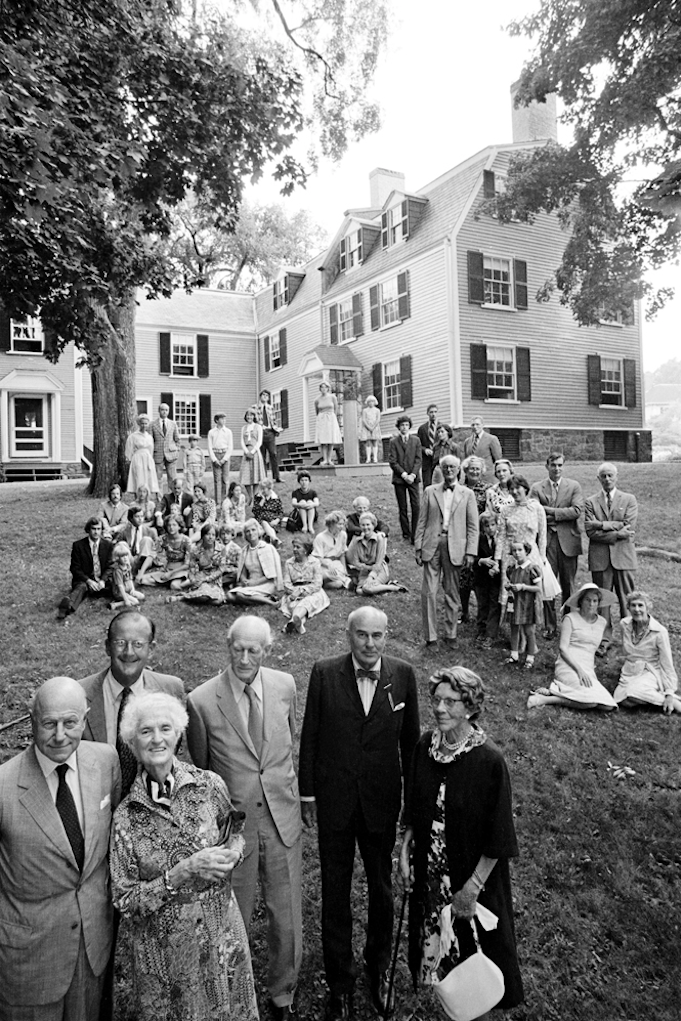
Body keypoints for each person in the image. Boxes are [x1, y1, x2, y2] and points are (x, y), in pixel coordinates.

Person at [299, 607, 420, 1021]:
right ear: (348, 635)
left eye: (377, 636)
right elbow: (310, 735)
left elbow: (410, 744)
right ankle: (340, 984)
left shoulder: (403, 675)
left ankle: (379, 967)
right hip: (335, 800)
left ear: (387, 636)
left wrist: (412, 808)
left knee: (381, 887)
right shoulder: (324, 672)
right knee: (335, 891)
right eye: (362, 635)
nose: (370, 644)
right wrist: (308, 795)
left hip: (381, 802)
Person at [111, 692, 258, 1021]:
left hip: (222, 938)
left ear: (178, 734)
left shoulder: (209, 785)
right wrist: (181, 872)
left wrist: (232, 854)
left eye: (165, 728)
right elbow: (124, 900)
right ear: (132, 743)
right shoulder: (126, 816)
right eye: (146, 731)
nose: (157, 739)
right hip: (165, 958)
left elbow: (234, 832)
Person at [187, 616, 303, 1020]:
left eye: (254, 650)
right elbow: (202, 766)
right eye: (238, 649)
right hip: (234, 829)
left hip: (281, 817)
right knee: (231, 914)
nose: (245, 658)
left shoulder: (285, 686)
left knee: (286, 914)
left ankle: (283, 993)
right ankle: (231, 993)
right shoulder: (202, 701)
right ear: (228, 646)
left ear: (267, 650)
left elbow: (288, 743)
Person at [399, 667, 524, 1016]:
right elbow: (415, 809)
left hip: (470, 884)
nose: (440, 708)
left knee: (474, 972)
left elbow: (499, 837)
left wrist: (471, 889)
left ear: (470, 707)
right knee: (442, 968)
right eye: (436, 700)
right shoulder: (425, 746)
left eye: (451, 702)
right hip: (431, 880)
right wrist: (405, 851)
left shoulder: (489, 761)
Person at [0, 676, 121, 1020]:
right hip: (28, 959)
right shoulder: (3, 786)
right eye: (49, 723)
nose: (60, 735)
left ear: (85, 718)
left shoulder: (106, 761)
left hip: (92, 949)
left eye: (70, 723)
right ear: (31, 720)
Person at [77, 609, 185, 796]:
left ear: (151, 649)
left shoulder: (171, 689)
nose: (128, 652)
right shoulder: (80, 695)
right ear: (107, 647)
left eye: (138, 644)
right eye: (120, 643)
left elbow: (175, 751)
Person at [414, 455, 479, 649]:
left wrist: (470, 551)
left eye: (452, 467)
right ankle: (431, 637)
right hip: (432, 544)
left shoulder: (467, 494)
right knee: (429, 592)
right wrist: (418, 546)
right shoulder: (430, 491)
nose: (449, 470)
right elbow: (422, 521)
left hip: (456, 547)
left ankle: (451, 634)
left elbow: (473, 526)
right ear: (441, 470)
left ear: (458, 469)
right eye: (445, 467)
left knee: (452, 591)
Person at [527, 583, 618, 710]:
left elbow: (591, 648)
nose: (591, 604)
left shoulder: (602, 622)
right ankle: (543, 699)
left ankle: (556, 692)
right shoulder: (570, 619)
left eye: (595, 601)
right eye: (587, 600)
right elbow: (563, 649)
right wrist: (579, 670)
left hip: (587, 667)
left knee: (607, 706)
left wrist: (587, 669)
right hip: (569, 664)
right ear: (581, 601)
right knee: (590, 702)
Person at [529, 452, 584, 639]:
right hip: (547, 541)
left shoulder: (573, 486)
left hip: (568, 541)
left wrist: (549, 511)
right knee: (547, 584)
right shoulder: (537, 487)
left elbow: (576, 511)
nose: (557, 468)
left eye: (560, 465)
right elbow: (534, 511)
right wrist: (560, 514)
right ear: (547, 466)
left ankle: (569, 622)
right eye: (553, 465)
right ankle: (550, 625)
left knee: (568, 584)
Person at [585, 462, 638, 649]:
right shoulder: (590, 502)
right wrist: (617, 532)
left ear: (616, 477)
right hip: (600, 558)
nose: (607, 479)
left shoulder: (629, 499)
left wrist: (601, 524)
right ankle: (604, 639)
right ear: (598, 478)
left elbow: (629, 526)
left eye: (610, 475)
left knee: (628, 599)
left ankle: (631, 639)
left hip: (623, 557)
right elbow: (590, 532)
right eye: (604, 476)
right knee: (602, 601)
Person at [614, 591, 681, 713]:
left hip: (649, 671)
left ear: (647, 607)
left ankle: (674, 703)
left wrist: (670, 692)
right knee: (623, 700)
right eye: (633, 605)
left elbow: (667, 663)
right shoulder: (624, 624)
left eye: (640, 605)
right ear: (628, 607)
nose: (637, 609)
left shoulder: (660, 632)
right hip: (629, 670)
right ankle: (656, 698)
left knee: (633, 693)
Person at [494, 474, 547, 624]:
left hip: (531, 555)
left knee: (530, 587)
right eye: (511, 489)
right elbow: (501, 536)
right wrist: (498, 560)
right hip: (511, 555)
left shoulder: (536, 508)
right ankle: (513, 624)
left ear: (525, 488)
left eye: (518, 488)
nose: (515, 492)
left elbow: (542, 535)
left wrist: (542, 557)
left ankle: (530, 625)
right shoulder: (506, 510)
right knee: (512, 590)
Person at [57, 516, 114, 619]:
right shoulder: (78, 546)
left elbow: (110, 566)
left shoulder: (108, 545)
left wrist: (103, 580)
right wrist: (88, 581)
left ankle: (122, 599)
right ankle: (67, 607)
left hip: (102, 580)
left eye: (98, 529)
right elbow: (75, 568)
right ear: (88, 530)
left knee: (116, 584)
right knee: (81, 587)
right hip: (86, 580)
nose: (96, 532)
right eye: (93, 529)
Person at [345, 511, 407, 595]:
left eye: (368, 525)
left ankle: (393, 587)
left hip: (379, 570)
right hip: (364, 571)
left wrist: (371, 576)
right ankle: (383, 587)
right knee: (359, 591)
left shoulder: (379, 539)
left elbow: (378, 563)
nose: (365, 527)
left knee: (367, 588)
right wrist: (368, 567)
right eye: (363, 525)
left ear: (373, 525)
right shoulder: (357, 540)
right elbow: (356, 563)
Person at [458, 455, 489, 624]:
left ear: (482, 471)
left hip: (481, 539)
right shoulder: (459, 489)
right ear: (465, 470)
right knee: (463, 576)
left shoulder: (488, 489)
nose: (474, 472)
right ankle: (464, 611)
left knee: (480, 577)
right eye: (471, 469)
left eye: (477, 469)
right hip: (463, 537)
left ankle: (481, 614)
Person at [167, 521, 227, 605]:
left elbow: (221, 569)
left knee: (217, 601)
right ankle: (185, 597)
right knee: (205, 596)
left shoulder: (221, 548)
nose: (210, 537)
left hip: (215, 579)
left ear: (216, 537)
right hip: (200, 578)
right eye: (208, 534)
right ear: (203, 536)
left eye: (213, 535)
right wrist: (193, 580)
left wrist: (208, 578)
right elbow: (191, 567)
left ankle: (183, 597)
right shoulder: (195, 550)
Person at [281, 533, 330, 634]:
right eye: (294, 547)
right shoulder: (289, 563)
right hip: (294, 592)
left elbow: (317, 583)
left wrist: (303, 591)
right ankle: (299, 624)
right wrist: (294, 592)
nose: (294, 549)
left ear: (306, 550)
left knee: (307, 602)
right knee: (294, 604)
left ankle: (291, 623)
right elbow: (286, 583)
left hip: (312, 591)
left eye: (298, 547)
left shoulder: (315, 562)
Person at [504, 540, 542, 669]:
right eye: (514, 551)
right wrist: (509, 586)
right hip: (514, 602)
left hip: (527, 603)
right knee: (514, 627)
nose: (517, 553)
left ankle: (530, 657)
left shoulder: (532, 569)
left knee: (529, 630)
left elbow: (538, 588)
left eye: (520, 550)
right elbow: (512, 581)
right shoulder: (511, 569)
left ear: (526, 551)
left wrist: (523, 587)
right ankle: (514, 654)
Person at [225, 517, 283, 605]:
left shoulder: (266, 548)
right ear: (245, 535)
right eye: (247, 531)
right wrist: (244, 580)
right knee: (229, 596)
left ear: (258, 531)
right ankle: (259, 598)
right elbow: (243, 571)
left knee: (240, 595)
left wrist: (254, 582)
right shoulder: (245, 550)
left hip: (266, 583)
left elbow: (271, 576)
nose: (251, 533)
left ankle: (272, 603)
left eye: (253, 530)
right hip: (250, 583)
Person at [388, 415, 422, 543]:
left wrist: (412, 475)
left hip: (413, 478)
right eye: (402, 425)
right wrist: (404, 475)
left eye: (407, 425)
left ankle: (415, 533)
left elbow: (418, 459)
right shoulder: (393, 442)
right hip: (399, 479)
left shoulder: (416, 440)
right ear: (398, 427)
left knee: (416, 505)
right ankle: (406, 533)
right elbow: (393, 461)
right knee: (402, 506)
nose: (404, 427)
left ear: (410, 426)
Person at [137, 514, 191, 587]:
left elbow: (187, 564)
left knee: (174, 585)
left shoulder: (186, 540)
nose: (171, 528)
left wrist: (170, 573)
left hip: (181, 570)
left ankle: (183, 581)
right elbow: (151, 556)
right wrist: (141, 573)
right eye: (169, 525)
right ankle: (167, 581)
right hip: (166, 569)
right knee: (143, 580)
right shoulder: (162, 539)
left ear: (179, 526)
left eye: (174, 525)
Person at [473, 512, 502, 649]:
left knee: (494, 604)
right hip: (482, 578)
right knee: (482, 604)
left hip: (496, 578)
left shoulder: (501, 540)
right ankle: (481, 629)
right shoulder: (479, 539)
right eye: (487, 526)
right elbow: (473, 558)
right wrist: (481, 561)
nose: (490, 528)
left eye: (493, 525)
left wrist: (496, 568)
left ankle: (491, 633)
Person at [312, 510, 351, 589]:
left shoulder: (343, 535)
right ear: (331, 524)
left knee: (338, 583)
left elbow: (342, 554)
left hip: (336, 564)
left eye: (343, 524)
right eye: (339, 524)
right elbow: (317, 558)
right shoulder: (320, 537)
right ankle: (317, 579)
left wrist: (345, 570)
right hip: (323, 564)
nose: (342, 527)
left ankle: (324, 584)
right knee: (329, 574)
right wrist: (329, 565)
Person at [117, 504, 157, 579]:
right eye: (137, 516)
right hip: (131, 559)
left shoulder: (151, 531)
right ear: (131, 518)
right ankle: (129, 573)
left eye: (142, 516)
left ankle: (141, 572)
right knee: (122, 544)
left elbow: (157, 550)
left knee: (146, 539)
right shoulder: (124, 532)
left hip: (146, 559)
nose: (140, 519)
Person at [125, 413, 159, 496]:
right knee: (138, 477)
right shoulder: (133, 436)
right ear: (139, 424)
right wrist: (130, 459)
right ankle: (137, 497)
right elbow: (129, 450)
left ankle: (147, 498)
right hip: (138, 458)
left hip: (147, 458)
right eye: (142, 423)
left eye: (146, 423)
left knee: (148, 478)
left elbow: (151, 450)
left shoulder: (149, 437)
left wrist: (150, 459)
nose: (144, 425)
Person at [151, 402, 180, 491]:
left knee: (172, 478)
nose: (164, 412)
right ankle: (159, 498)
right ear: (159, 411)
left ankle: (171, 496)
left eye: (166, 410)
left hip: (171, 454)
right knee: (158, 478)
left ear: (168, 411)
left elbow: (177, 439)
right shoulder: (153, 424)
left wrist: (176, 450)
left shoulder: (173, 424)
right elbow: (150, 440)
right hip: (158, 454)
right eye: (162, 410)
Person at [109, 541, 146, 610]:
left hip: (128, 590)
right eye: (122, 556)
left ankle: (129, 597)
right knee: (136, 601)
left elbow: (130, 579)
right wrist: (126, 600)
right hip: (120, 592)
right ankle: (116, 604)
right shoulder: (118, 571)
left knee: (142, 596)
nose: (125, 558)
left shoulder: (127, 566)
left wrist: (132, 589)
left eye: (126, 555)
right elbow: (120, 586)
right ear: (118, 558)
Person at [207, 412, 234, 506]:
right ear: (217, 420)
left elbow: (230, 447)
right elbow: (209, 447)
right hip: (216, 454)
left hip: (225, 455)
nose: (224, 421)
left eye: (224, 419)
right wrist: (214, 459)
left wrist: (224, 459)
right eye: (222, 419)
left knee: (225, 479)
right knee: (217, 480)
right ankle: (218, 502)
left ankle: (225, 501)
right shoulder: (211, 432)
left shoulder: (228, 432)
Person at [240, 407, 266, 502]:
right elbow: (242, 441)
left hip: (255, 452)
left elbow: (259, 441)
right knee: (245, 476)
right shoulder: (243, 428)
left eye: (251, 415)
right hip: (246, 452)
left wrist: (252, 451)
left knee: (256, 477)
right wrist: (246, 452)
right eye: (248, 415)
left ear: (254, 416)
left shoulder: (258, 427)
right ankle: (250, 496)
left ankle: (255, 497)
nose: (249, 417)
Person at [256, 388, 282, 482]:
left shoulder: (271, 408)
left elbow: (273, 420)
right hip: (261, 432)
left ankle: (277, 476)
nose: (265, 397)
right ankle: (264, 477)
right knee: (262, 455)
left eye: (267, 396)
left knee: (273, 453)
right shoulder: (255, 407)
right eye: (263, 395)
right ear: (260, 397)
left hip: (270, 432)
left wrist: (276, 429)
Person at [315, 380, 342, 465]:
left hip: (331, 418)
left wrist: (333, 418)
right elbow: (317, 411)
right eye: (322, 387)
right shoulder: (317, 399)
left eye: (325, 387)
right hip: (322, 419)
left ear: (328, 388)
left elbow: (336, 409)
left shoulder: (332, 397)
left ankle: (329, 459)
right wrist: (321, 418)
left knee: (330, 439)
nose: (323, 389)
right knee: (323, 440)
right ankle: (325, 459)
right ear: (320, 389)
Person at [417, 403, 442, 489]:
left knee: (439, 485)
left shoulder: (442, 427)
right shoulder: (422, 428)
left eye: (435, 412)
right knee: (427, 485)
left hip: (438, 461)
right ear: (427, 413)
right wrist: (425, 450)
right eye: (431, 412)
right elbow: (418, 445)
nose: (433, 414)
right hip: (427, 461)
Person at [485, 458, 515, 525]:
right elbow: (489, 514)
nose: (501, 474)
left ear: (510, 471)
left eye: (504, 470)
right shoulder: (491, 492)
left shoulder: (518, 489)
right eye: (498, 472)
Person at [358, 395, 382, 464]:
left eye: (372, 401)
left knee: (375, 442)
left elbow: (378, 419)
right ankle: (368, 458)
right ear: (367, 402)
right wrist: (368, 427)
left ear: (374, 402)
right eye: (369, 402)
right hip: (367, 427)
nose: (371, 403)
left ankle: (375, 458)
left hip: (375, 427)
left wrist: (373, 427)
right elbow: (364, 419)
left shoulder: (377, 410)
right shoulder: (365, 410)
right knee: (368, 442)